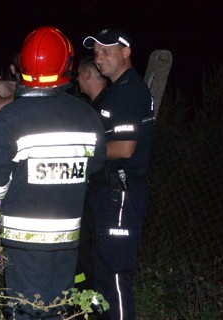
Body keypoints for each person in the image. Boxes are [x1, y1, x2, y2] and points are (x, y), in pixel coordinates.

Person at [0, 26, 105, 319]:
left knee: (25, 309)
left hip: (21, 241)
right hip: (67, 238)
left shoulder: (10, 117)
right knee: (58, 308)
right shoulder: (87, 116)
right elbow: (94, 166)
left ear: (23, 67)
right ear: (67, 66)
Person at [83, 28, 154, 320]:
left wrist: (83, 153)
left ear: (126, 51)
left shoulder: (127, 91)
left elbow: (124, 148)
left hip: (120, 195)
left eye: (107, 51)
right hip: (110, 193)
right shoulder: (117, 90)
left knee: (114, 274)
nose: (99, 59)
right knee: (103, 270)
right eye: (96, 53)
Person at [73, 54, 110, 292]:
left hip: (103, 191)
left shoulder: (104, 107)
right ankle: (81, 295)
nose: (76, 80)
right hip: (92, 190)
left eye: (78, 74)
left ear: (86, 74)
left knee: (90, 249)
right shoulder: (93, 107)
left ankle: (89, 297)